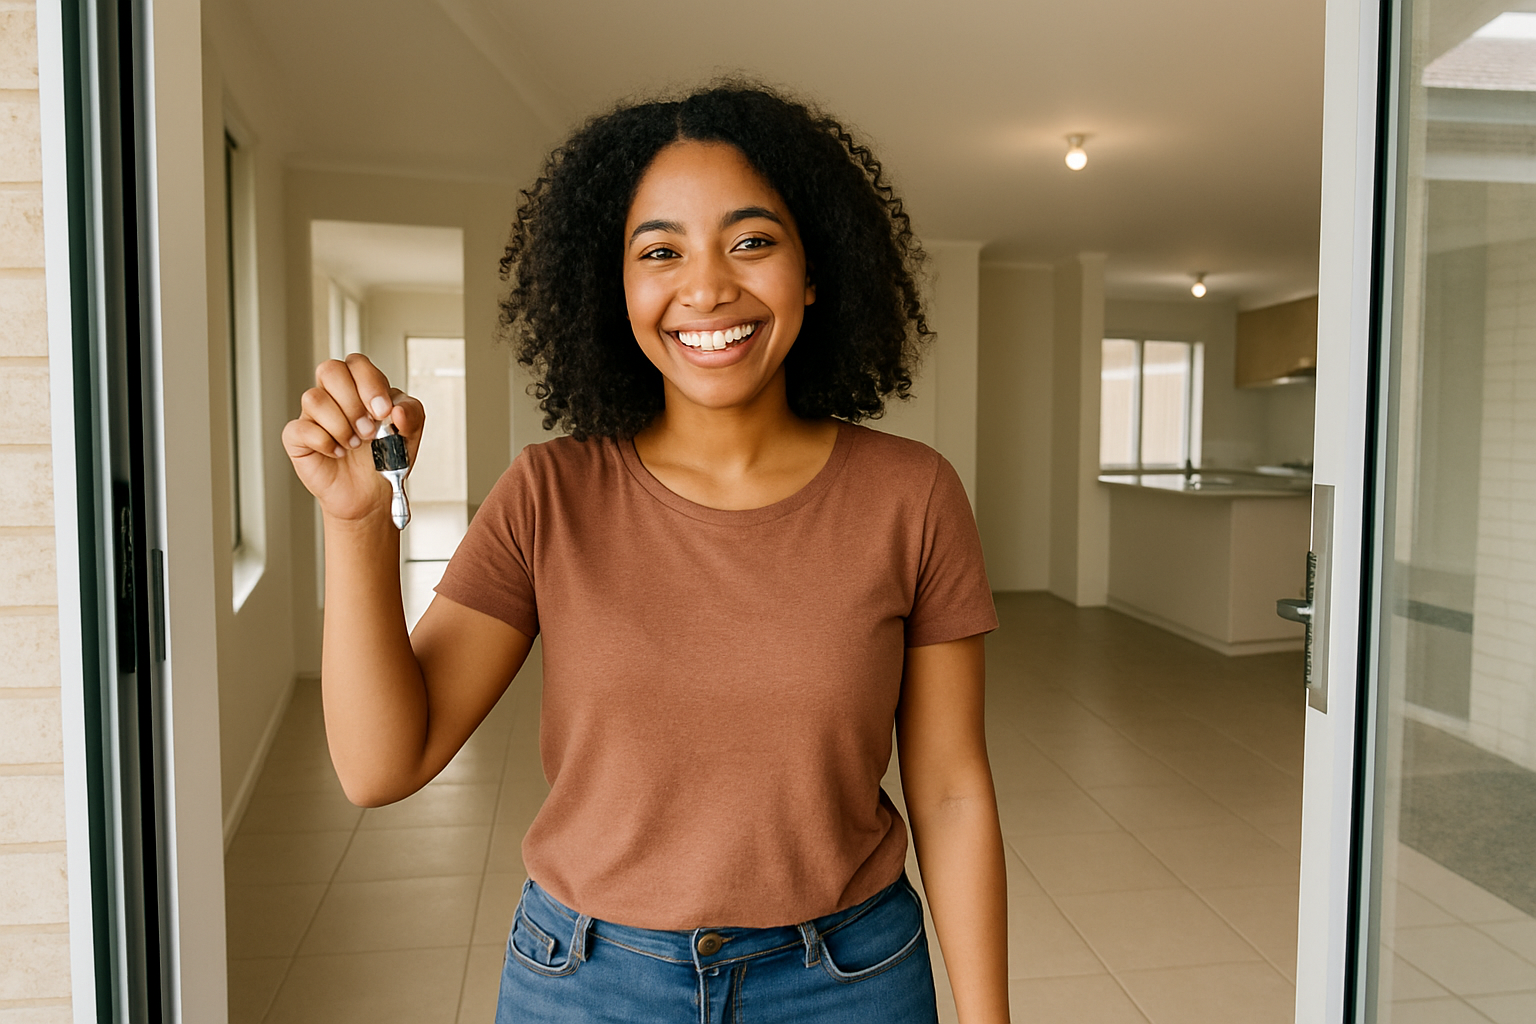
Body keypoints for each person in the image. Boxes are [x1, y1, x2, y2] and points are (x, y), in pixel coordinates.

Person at [283, 83, 1009, 1024]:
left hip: (849, 981)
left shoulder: (913, 495)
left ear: (813, 270)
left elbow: (950, 793)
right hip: (588, 983)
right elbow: (381, 767)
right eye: (661, 251)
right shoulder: (549, 494)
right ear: (615, 288)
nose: (706, 288)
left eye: (752, 241)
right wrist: (353, 524)